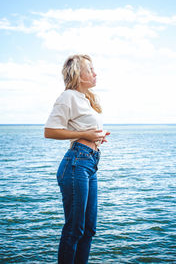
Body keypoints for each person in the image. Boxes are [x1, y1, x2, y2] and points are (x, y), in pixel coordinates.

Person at [44, 54, 110, 264]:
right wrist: (86, 136)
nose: (95, 73)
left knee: (89, 229)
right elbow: (50, 131)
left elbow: (82, 129)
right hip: (76, 164)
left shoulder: (85, 99)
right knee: (74, 228)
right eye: (90, 69)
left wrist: (95, 138)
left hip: (89, 161)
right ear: (78, 75)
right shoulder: (68, 96)